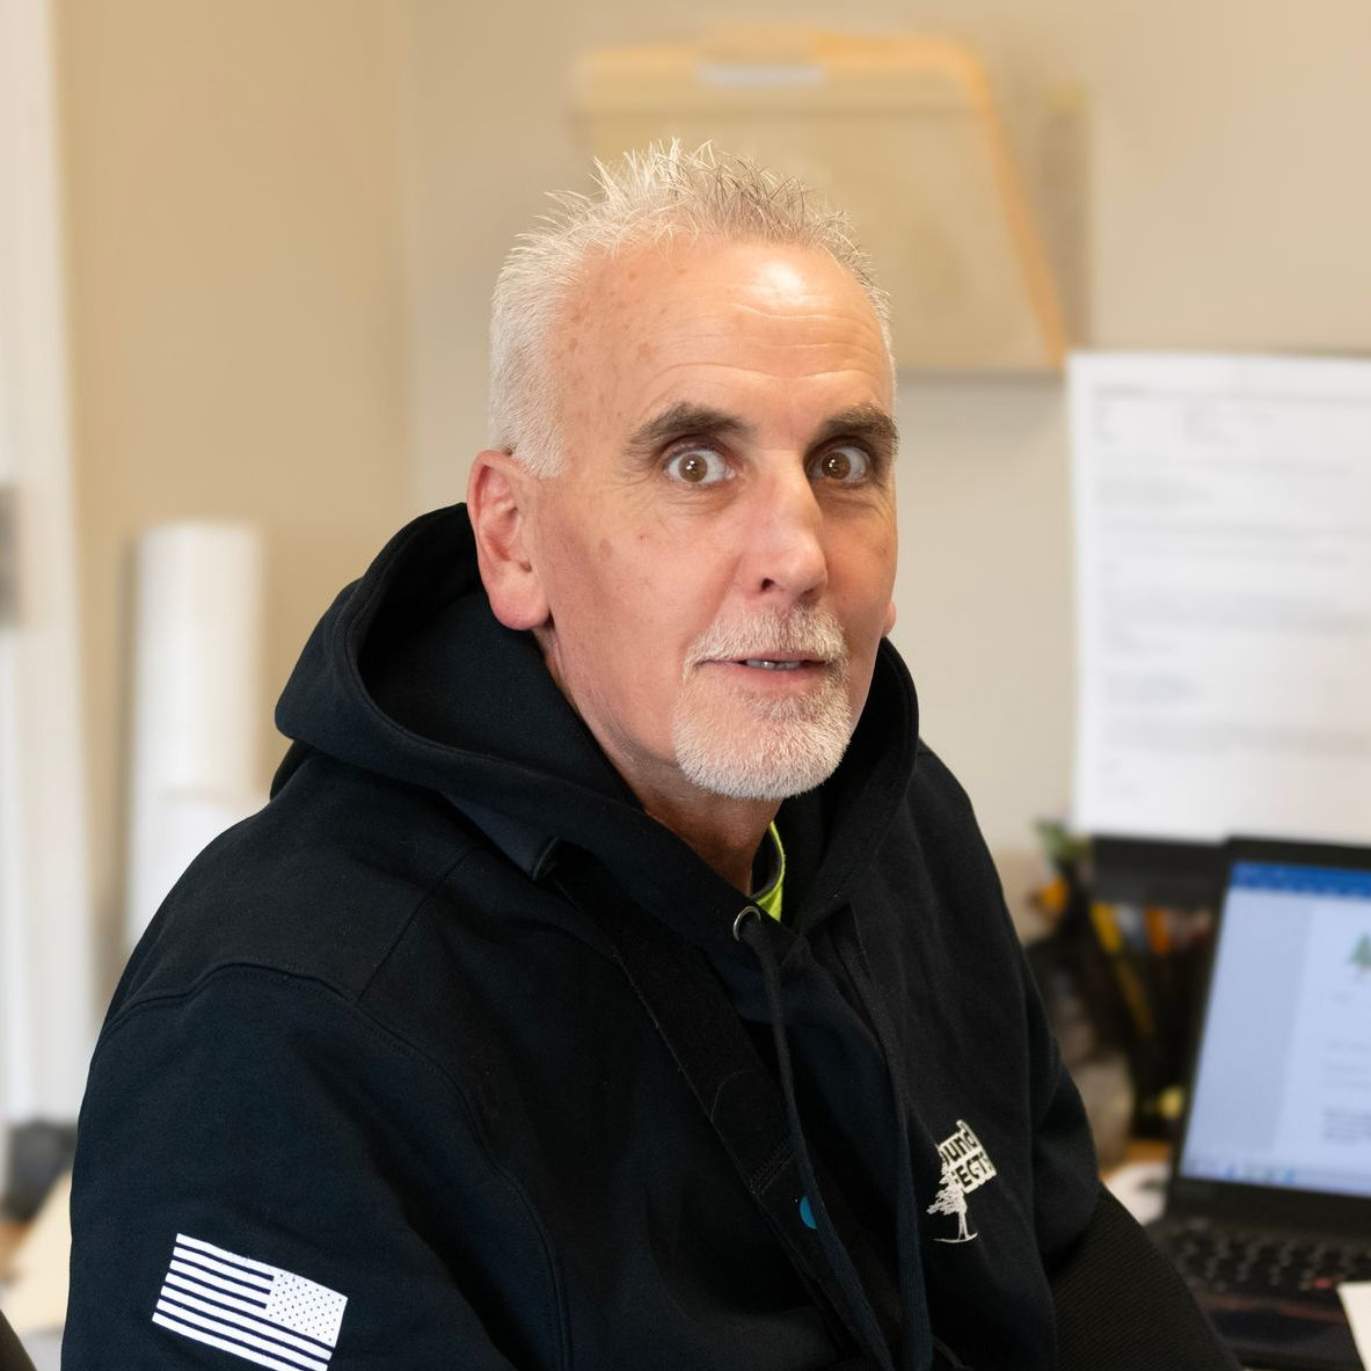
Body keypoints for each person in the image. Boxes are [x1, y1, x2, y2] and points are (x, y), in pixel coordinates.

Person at [64, 145, 1235, 1370]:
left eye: (842, 464)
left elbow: (1057, 1250)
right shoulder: (286, 1022)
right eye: (694, 464)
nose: (798, 553)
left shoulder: (896, 822)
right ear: (513, 539)